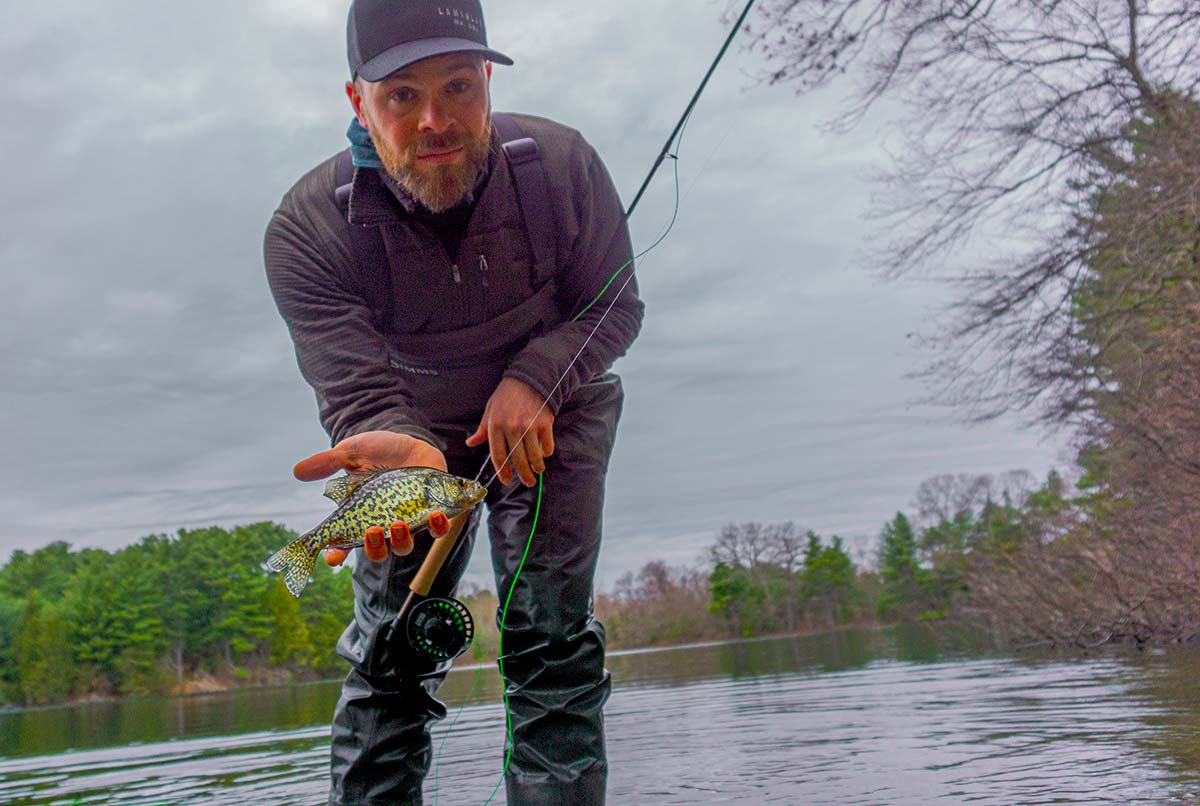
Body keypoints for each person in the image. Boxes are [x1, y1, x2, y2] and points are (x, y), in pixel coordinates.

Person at [263, 0, 643, 803]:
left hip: (557, 415)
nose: (436, 119)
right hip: (409, 444)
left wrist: (538, 377)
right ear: (357, 102)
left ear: (488, 84)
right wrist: (402, 444)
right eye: (402, 95)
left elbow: (614, 306)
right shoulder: (306, 232)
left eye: (459, 87)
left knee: (551, 643)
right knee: (388, 657)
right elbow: (356, 387)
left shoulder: (565, 166)